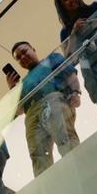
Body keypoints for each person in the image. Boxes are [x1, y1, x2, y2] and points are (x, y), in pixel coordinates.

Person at [7, 43, 82, 176]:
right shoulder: (22, 83)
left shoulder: (51, 59)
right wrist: (13, 90)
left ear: (33, 49)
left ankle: (81, 171)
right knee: (37, 155)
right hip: (31, 114)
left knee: (64, 137)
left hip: (52, 99)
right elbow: (19, 111)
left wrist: (75, 92)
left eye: (24, 52)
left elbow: (70, 74)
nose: (22, 57)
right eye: (18, 58)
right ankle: (47, 186)